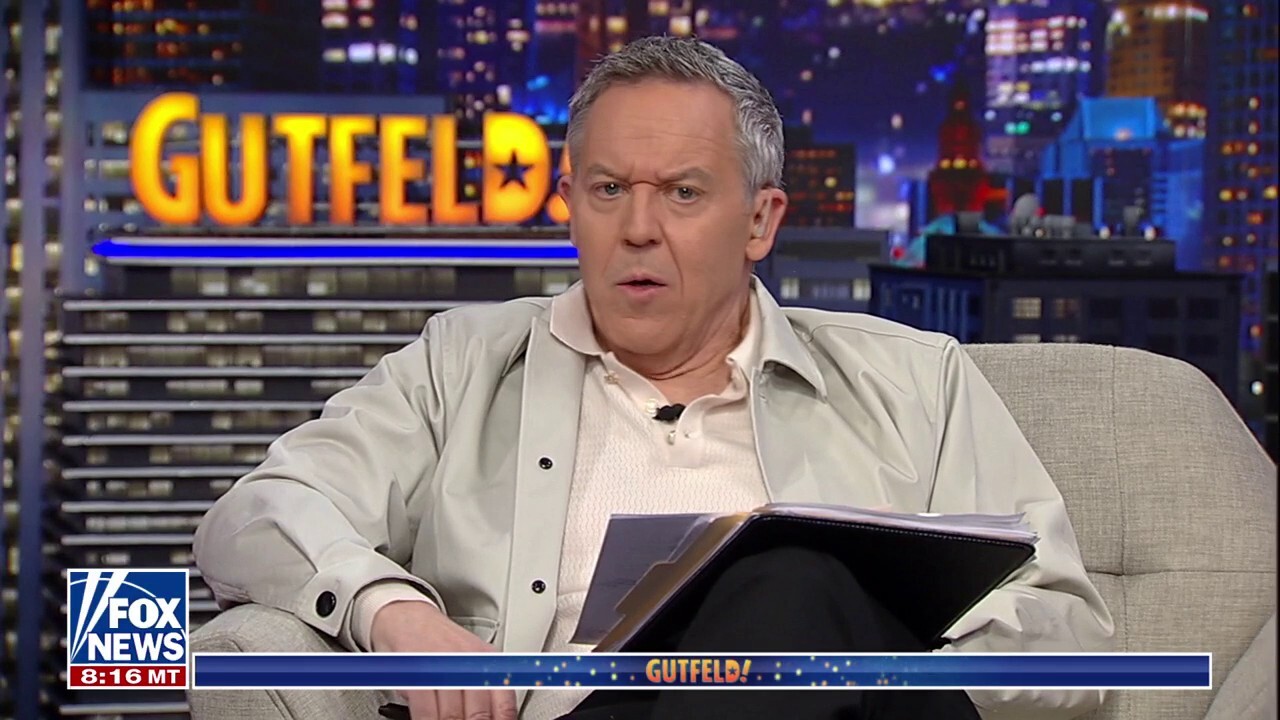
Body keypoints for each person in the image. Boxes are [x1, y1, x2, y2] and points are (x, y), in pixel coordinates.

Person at [194, 36, 1114, 720]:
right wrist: (394, 612)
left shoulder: (917, 382)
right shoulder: (460, 365)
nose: (638, 229)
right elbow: (256, 514)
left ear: (760, 222)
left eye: (682, 192)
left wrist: (870, 641)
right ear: (569, 207)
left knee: (795, 585)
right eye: (608, 190)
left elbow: (1068, 637)